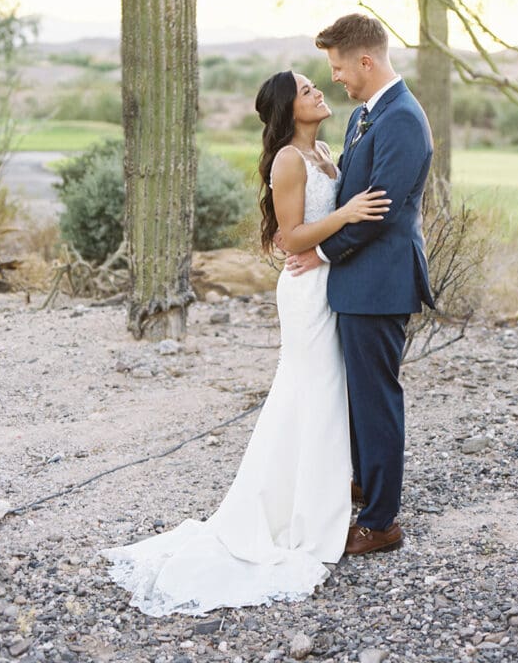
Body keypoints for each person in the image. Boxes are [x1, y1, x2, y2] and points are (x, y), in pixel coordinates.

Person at [99, 70, 389, 616]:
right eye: (307, 90)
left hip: (331, 280)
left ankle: (319, 492)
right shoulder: (287, 160)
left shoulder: (324, 148)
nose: (319, 92)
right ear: (289, 108)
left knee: (326, 394)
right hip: (307, 290)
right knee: (311, 389)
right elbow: (291, 237)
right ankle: (297, 510)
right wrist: (349, 214)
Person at [286, 13, 435, 555]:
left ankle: (381, 522)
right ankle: (367, 483)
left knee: (376, 400)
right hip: (356, 282)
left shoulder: (401, 119)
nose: (337, 79)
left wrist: (319, 251)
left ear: (366, 61)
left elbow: (380, 215)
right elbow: (350, 196)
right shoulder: (363, 117)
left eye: (340, 67)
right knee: (356, 396)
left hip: (379, 282)